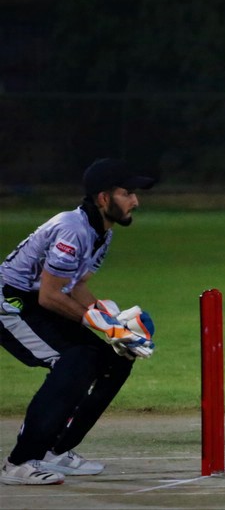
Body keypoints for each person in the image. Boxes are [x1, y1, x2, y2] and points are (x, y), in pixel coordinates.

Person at [0, 159, 158, 485]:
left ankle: (55, 450)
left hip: (37, 302)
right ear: (103, 198)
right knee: (75, 360)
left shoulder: (102, 232)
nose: (135, 201)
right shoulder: (72, 229)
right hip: (11, 303)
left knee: (116, 359)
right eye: (127, 193)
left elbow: (77, 287)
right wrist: (104, 326)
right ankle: (19, 462)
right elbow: (49, 296)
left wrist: (114, 326)